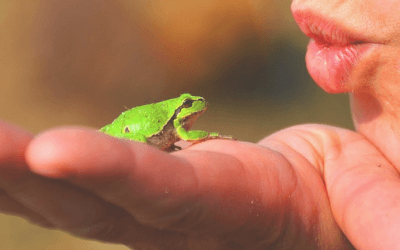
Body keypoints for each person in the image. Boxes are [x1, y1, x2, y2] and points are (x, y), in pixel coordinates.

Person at [1, 0, 399, 249]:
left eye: (192, 104)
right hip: (136, 135)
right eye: (189, 104)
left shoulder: (179, 125)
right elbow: (181, 135)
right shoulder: (177, 125)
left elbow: (184, 136)